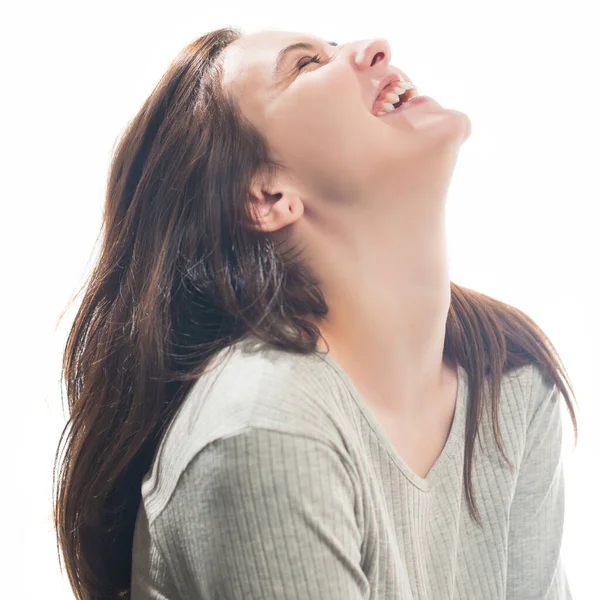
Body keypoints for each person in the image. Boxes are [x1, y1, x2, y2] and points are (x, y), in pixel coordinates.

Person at [53, 27, 578, 600]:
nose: (375, 48)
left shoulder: (509, 378)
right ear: (267, 196)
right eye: (306, 65)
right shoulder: (265, 424)